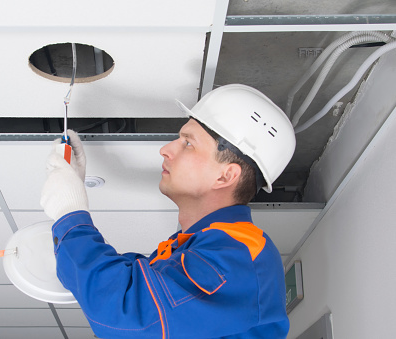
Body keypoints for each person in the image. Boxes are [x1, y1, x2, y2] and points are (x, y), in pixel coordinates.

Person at [40, 84, 296, 338]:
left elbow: (128, 313)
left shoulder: (238, 257)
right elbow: (129, 284)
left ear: (225, 175)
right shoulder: (192, 247)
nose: (166, 149)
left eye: (188, 143)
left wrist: (70, 213)